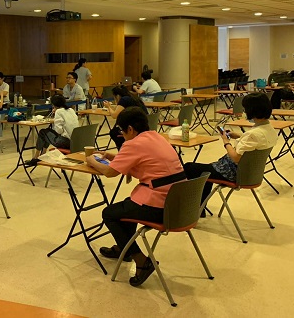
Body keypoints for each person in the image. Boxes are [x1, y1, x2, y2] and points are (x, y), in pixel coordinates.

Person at [85, 106, 184, 287]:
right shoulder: (157, 137)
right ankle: (124, 247)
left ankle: (141, 260)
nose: (122, 135)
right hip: (178, 203)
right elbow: (141, 158)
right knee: (126, 207)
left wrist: (91, 160)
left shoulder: (133, 143)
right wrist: (111, 155)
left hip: (159, 207)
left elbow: (109, 172)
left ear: (130, 129)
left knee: (110, 213)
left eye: (122, 132)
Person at [183, 92, 277, 217]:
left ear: (252, 110)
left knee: (190, 167)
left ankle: (190, 209)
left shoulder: (253, 134)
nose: (244, 111)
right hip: (252, 173)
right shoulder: (270, 130)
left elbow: (236, 157)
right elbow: (256, 143)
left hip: (234, 172)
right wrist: (238, 135)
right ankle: (200, 209)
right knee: (205, 171)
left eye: (245, 109)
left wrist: (226, 141)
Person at [25, 95, 79, 166]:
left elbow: (59, 131)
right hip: (76, 142)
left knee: (42, 132)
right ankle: (43, 155)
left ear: (54, 104)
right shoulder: (71, 110)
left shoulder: (58, 112)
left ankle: (36, 157)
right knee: (47, 131)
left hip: (65, 142)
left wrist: (56, 120)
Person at [104, 85, 148, 150]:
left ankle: (123, 151)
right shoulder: (134, 98)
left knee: (114, 133)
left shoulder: (124, 99)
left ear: (117, 96)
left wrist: (108, 107)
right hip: (143, 126)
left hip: (133, 129)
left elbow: (114, 115)